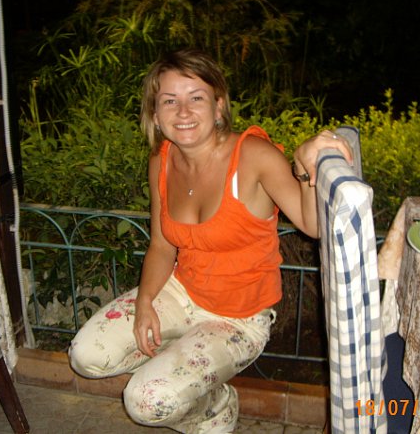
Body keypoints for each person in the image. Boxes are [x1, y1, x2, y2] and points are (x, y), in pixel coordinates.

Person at [68, 48, 352, 433]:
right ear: (155, 114)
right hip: (180, 292)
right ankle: (194, 382)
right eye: (170, 101)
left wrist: (305, 164)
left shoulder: (253, 156)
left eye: (196, 98)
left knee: (146, 401)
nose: (183, 112)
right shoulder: (162, 159)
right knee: (87, 356)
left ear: (218, 107)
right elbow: (162, 245)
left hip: (238, 319)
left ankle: (216, 405)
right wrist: (146, 301)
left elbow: (313, 224)